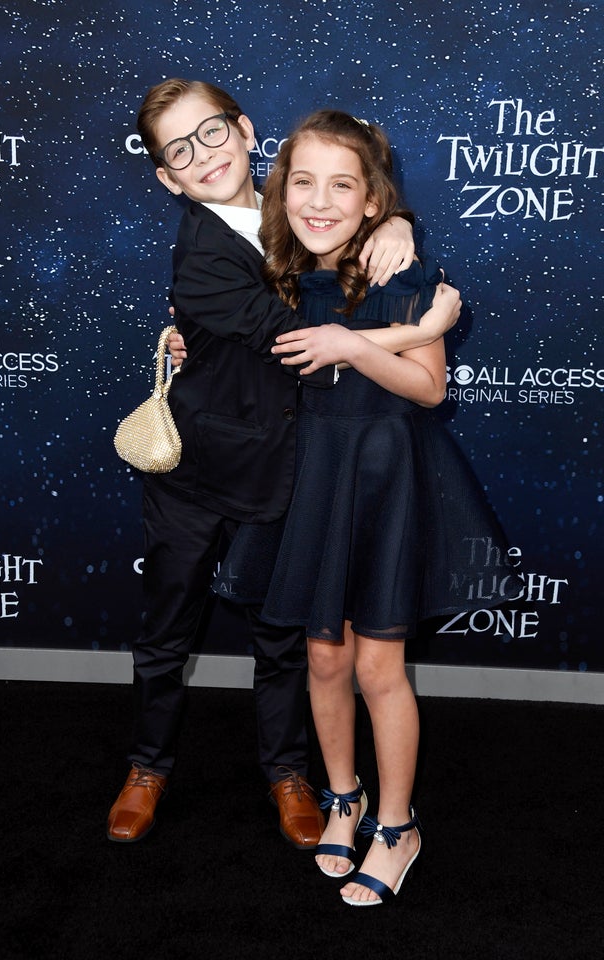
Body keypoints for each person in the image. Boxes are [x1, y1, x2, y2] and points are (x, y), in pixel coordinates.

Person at [107, 79, 460, 848]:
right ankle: (147, 768)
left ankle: (290, 774)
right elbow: (307, 337)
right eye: (179, 151)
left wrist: (397, 219)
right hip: (197, 474)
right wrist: (426, 325)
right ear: (167, 177)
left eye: (210, 133)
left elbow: (348, 200)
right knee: (169, 629)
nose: (202, 156)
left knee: (286, 638)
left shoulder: (289, 212)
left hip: (288, 469)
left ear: (243, 130)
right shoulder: (200, 253)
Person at [212, 109, 520, 904]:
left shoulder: (400, 272)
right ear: (281, 195)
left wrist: (363, 341)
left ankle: (397, 825)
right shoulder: (276, 278)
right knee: (324, 657)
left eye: (340, 185)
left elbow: (429, 386)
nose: (319, 201)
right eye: (302, 183)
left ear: (372, 201)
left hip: (384, 481)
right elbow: (288, 362)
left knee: (380, 665)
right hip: (312, 481)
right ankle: (341, 798)